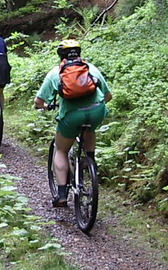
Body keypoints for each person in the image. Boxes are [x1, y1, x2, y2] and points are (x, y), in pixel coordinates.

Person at [34, 39, 112, 207]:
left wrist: (45, 106)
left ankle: (61, 195)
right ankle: (90, 164)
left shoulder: (56, 73)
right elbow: (108, 96)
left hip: (71, 116)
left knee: (61, 150)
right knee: (89, 128)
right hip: (96, 112)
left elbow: (38, 102)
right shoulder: (91, 69)